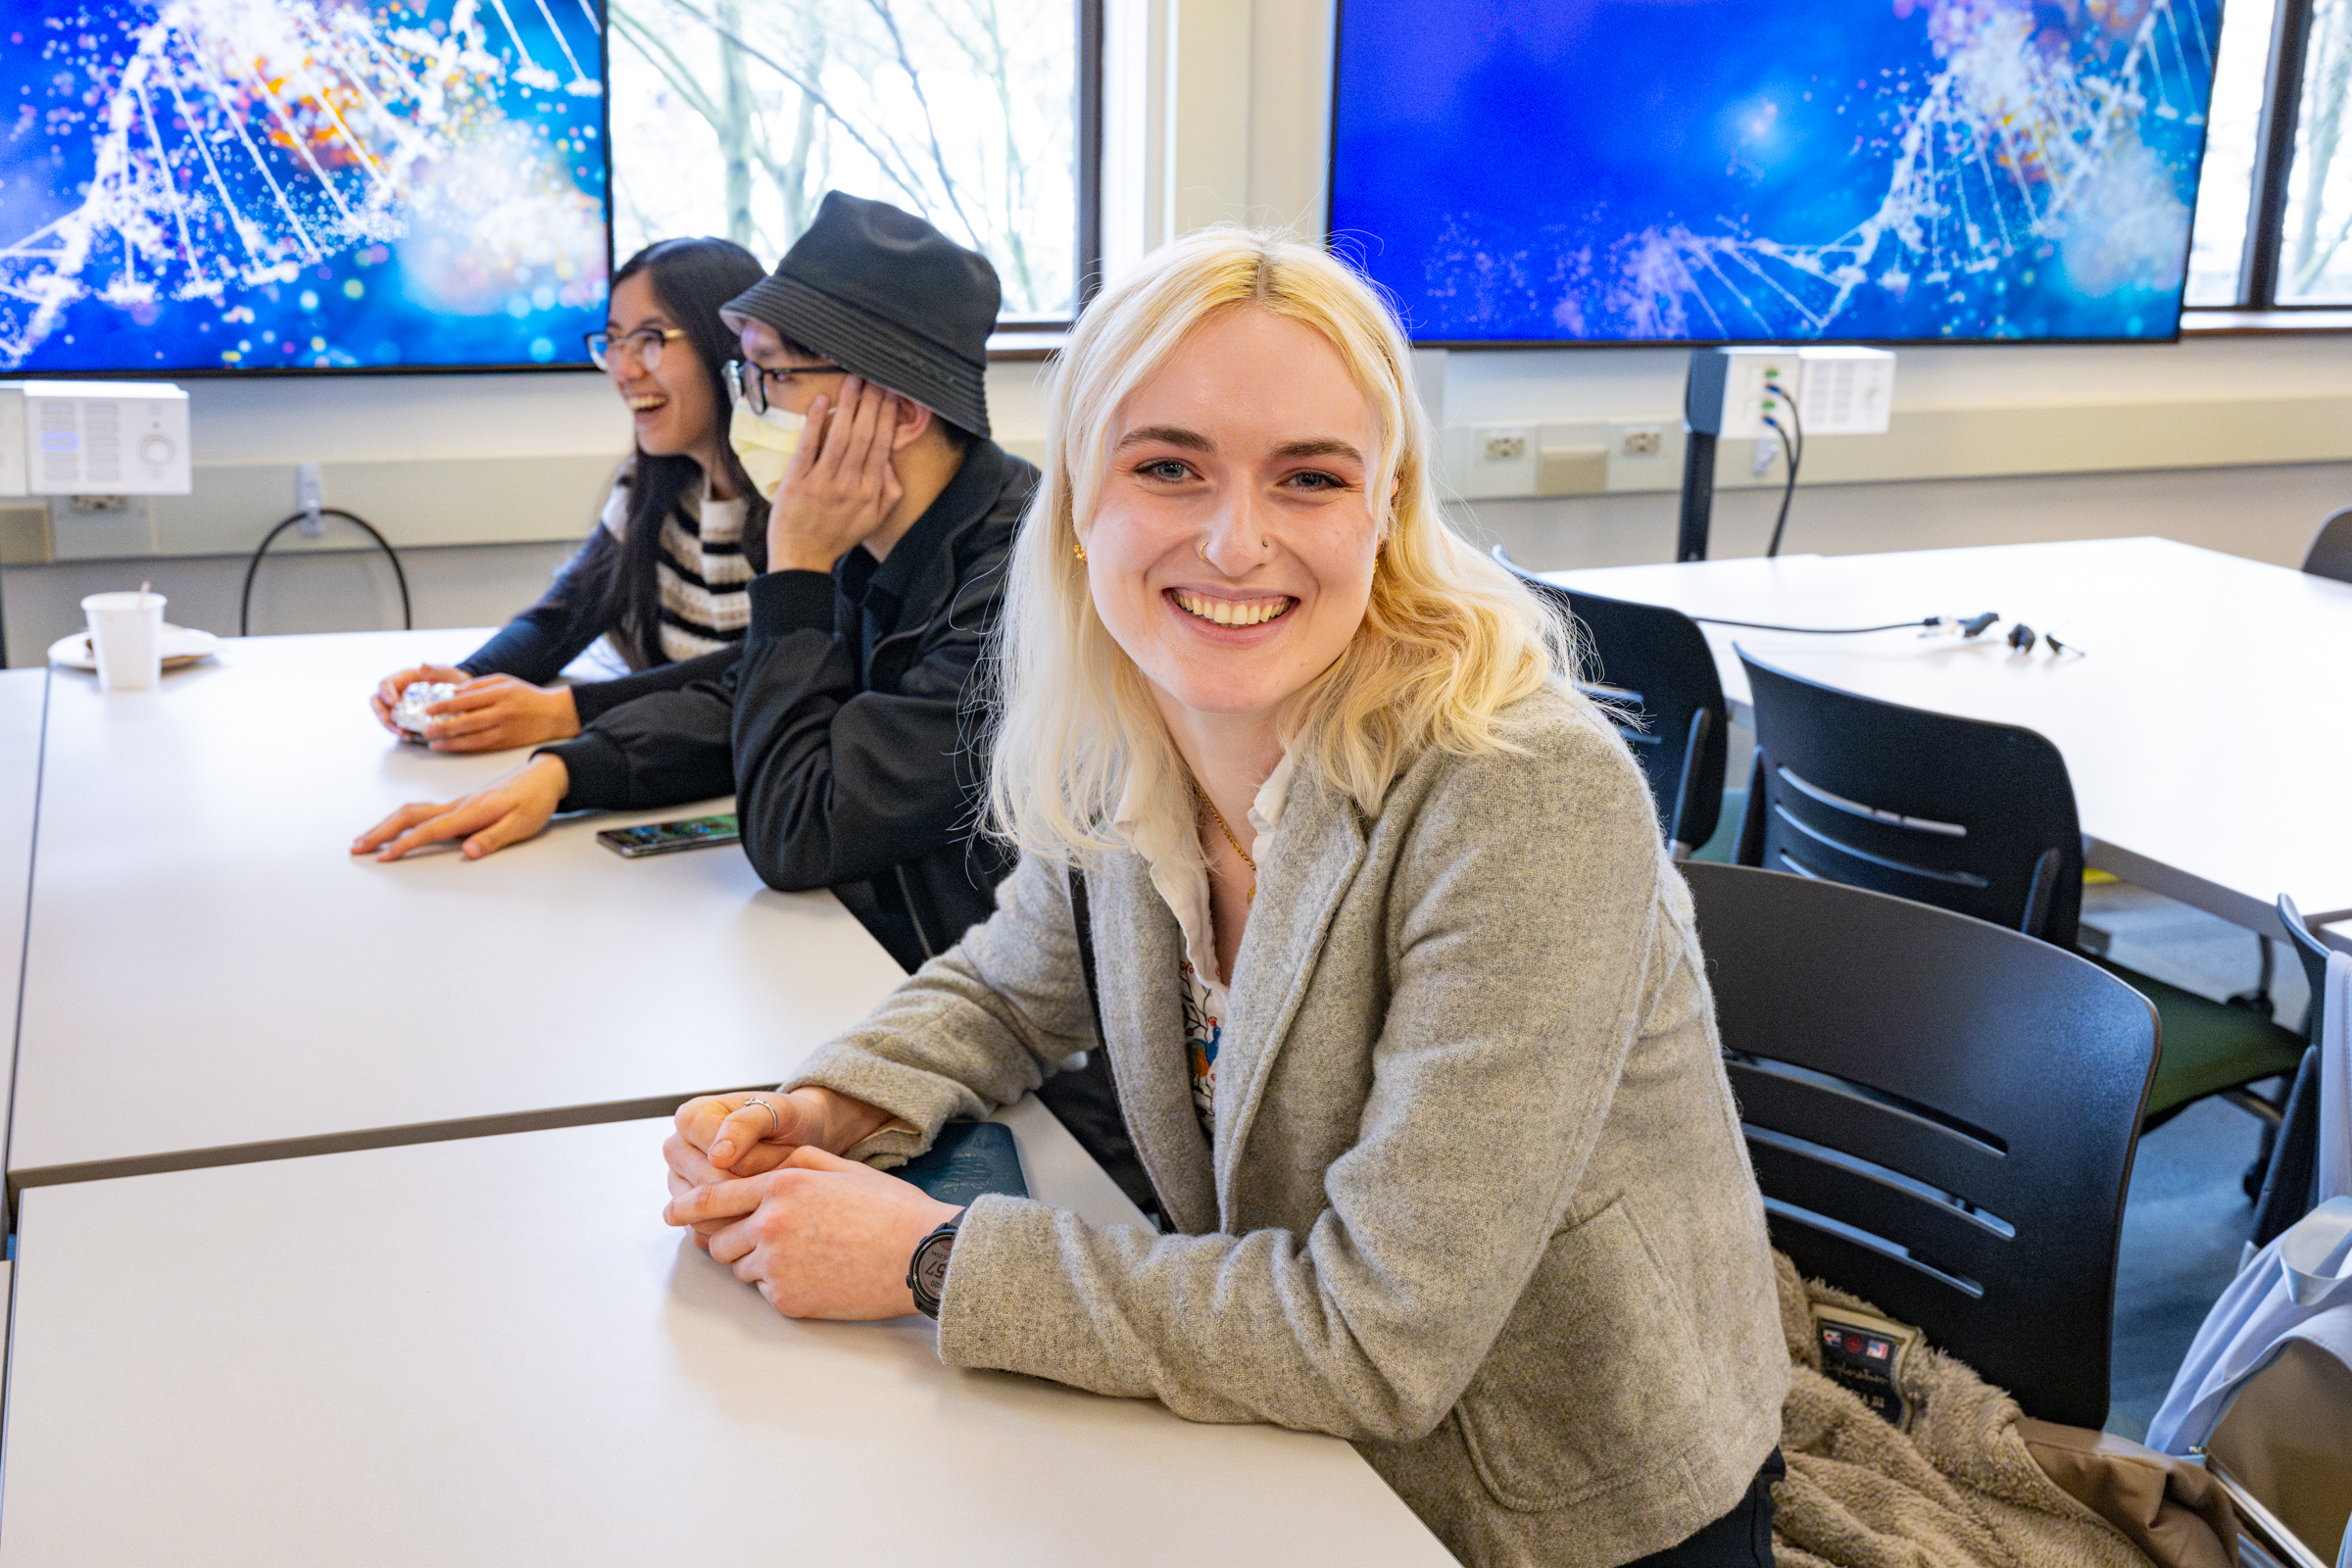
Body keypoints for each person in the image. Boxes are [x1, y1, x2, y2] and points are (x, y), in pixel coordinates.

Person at [656, 228, 1790, 1568]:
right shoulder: (1133, 718)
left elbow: (1377, 1337)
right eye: (1167, 467)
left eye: (1309, 477)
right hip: (1291, 1443)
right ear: (1079, 504)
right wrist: (828, 1103)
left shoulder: (1522, 791)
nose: (1236, 541)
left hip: (1542, 1504)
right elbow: (1013, 983)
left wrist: (931, 1257)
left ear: (1386, 510)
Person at [353, 194, 1034, 973]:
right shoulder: (889, 534)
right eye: (748, 373)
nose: (752, 406)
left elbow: (799, 834)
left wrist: (797, 567)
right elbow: (744, 697)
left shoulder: (1012, 594)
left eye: (773, 376)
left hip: (992, 1013)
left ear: (900, 413)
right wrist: (568, 770)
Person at [368, 236, 769, 753]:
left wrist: (567, 712)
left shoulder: (805, 500)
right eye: (614, 342)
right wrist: (469, 679)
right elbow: (568, 614)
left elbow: (757, 671)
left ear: (730, 344)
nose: (624, 369)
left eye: (650, 340)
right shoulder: (650, 488)